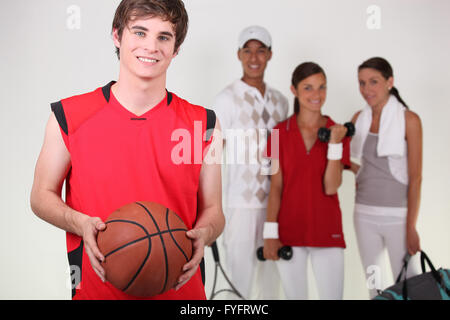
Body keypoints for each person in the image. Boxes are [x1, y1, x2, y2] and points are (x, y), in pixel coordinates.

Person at [30, 0, 225, 300]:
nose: (151, 46)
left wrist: (205, 233)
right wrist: (80, 223)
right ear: (117, 36)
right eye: (140, 32)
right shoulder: (69, 116)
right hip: (98, 291)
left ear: (176, 49)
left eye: (164, 37)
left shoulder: (204, 122)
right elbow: (41, 196)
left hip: (180, 291)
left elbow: (214, 210)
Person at [211, 26, 289, 299]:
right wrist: (208, 208)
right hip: (239, 205)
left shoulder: (281, 102)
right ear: (239, 54)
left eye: (260, 50)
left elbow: (283, 157)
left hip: (276, 206)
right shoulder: (226, 98)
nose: (254, 57)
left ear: (270, 55)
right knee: (239, 283)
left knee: (271, 285)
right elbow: (211, 154)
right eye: (248, 50)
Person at [263, 62, 350, 300]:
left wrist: (334, 145)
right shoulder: (279, 133)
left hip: (327, 232)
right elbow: (276, 187)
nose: (316, 95)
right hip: (289, 232)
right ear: (294, 90)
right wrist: (270, 233)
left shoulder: (337, 131)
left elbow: (331, 186)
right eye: (308, 87)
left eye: (322, 87)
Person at [350, 57, 422, 298]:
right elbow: (354, 164)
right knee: (375, 286)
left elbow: (416, 178)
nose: (366, 90)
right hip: (364, 216)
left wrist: (411, 226)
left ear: (389, 82)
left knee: (410, 284)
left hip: (397, 218)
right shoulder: (358, 119)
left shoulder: (409, 120)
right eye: (362, 83)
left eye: (373, 82)